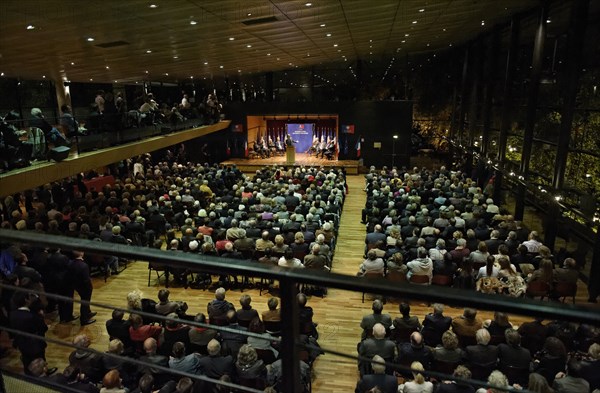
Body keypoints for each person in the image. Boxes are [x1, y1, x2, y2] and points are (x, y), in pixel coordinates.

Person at [9, 291, 53, 374]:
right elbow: (43, 328)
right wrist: (41, 317)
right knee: (39, 362)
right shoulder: (31, 316)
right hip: (35, 345)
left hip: (22, 344)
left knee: (27, 362)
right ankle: (43, 374)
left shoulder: (12, 314)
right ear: (26, 300)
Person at [70, 250, 97, 325]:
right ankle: (84, 320)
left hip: (77, 286)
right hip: (85, 287)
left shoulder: (71, 263)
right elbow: (86, 280)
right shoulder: (84, 265)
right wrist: (90, 287)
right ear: (82, 254)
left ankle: (88, 312)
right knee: (85, 302)